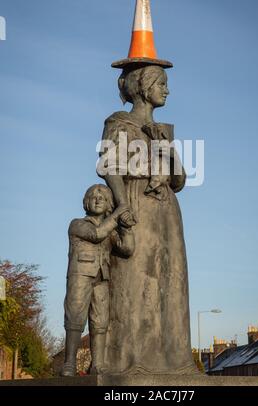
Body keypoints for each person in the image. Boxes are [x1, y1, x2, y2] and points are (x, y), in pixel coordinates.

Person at [98, 65, 196, 374]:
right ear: (144, 85)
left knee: (171, 279)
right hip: (135, 201)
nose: (167, 90)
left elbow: (179, 180)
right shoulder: (118, 123)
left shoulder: (164, 131)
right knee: (135, 277)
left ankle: (174, 361)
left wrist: (165, 147)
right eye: (162, 83)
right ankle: (130, 359)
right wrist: (123, 207)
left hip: (167, 210)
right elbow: (109, 167)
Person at [62, 184, 134, 376]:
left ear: (108, 203)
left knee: (100, 321)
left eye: (102, 197)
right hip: (80, 275)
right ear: (86, 202)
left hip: (102, 277)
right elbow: (96, 235)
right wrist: (119, 212)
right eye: (93, 196)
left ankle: (98, 364)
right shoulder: (77, 224)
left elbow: (127, 249)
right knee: (75, 317)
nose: (97, 199)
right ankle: (69, 363)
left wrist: (126, 227)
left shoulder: (110, 229)